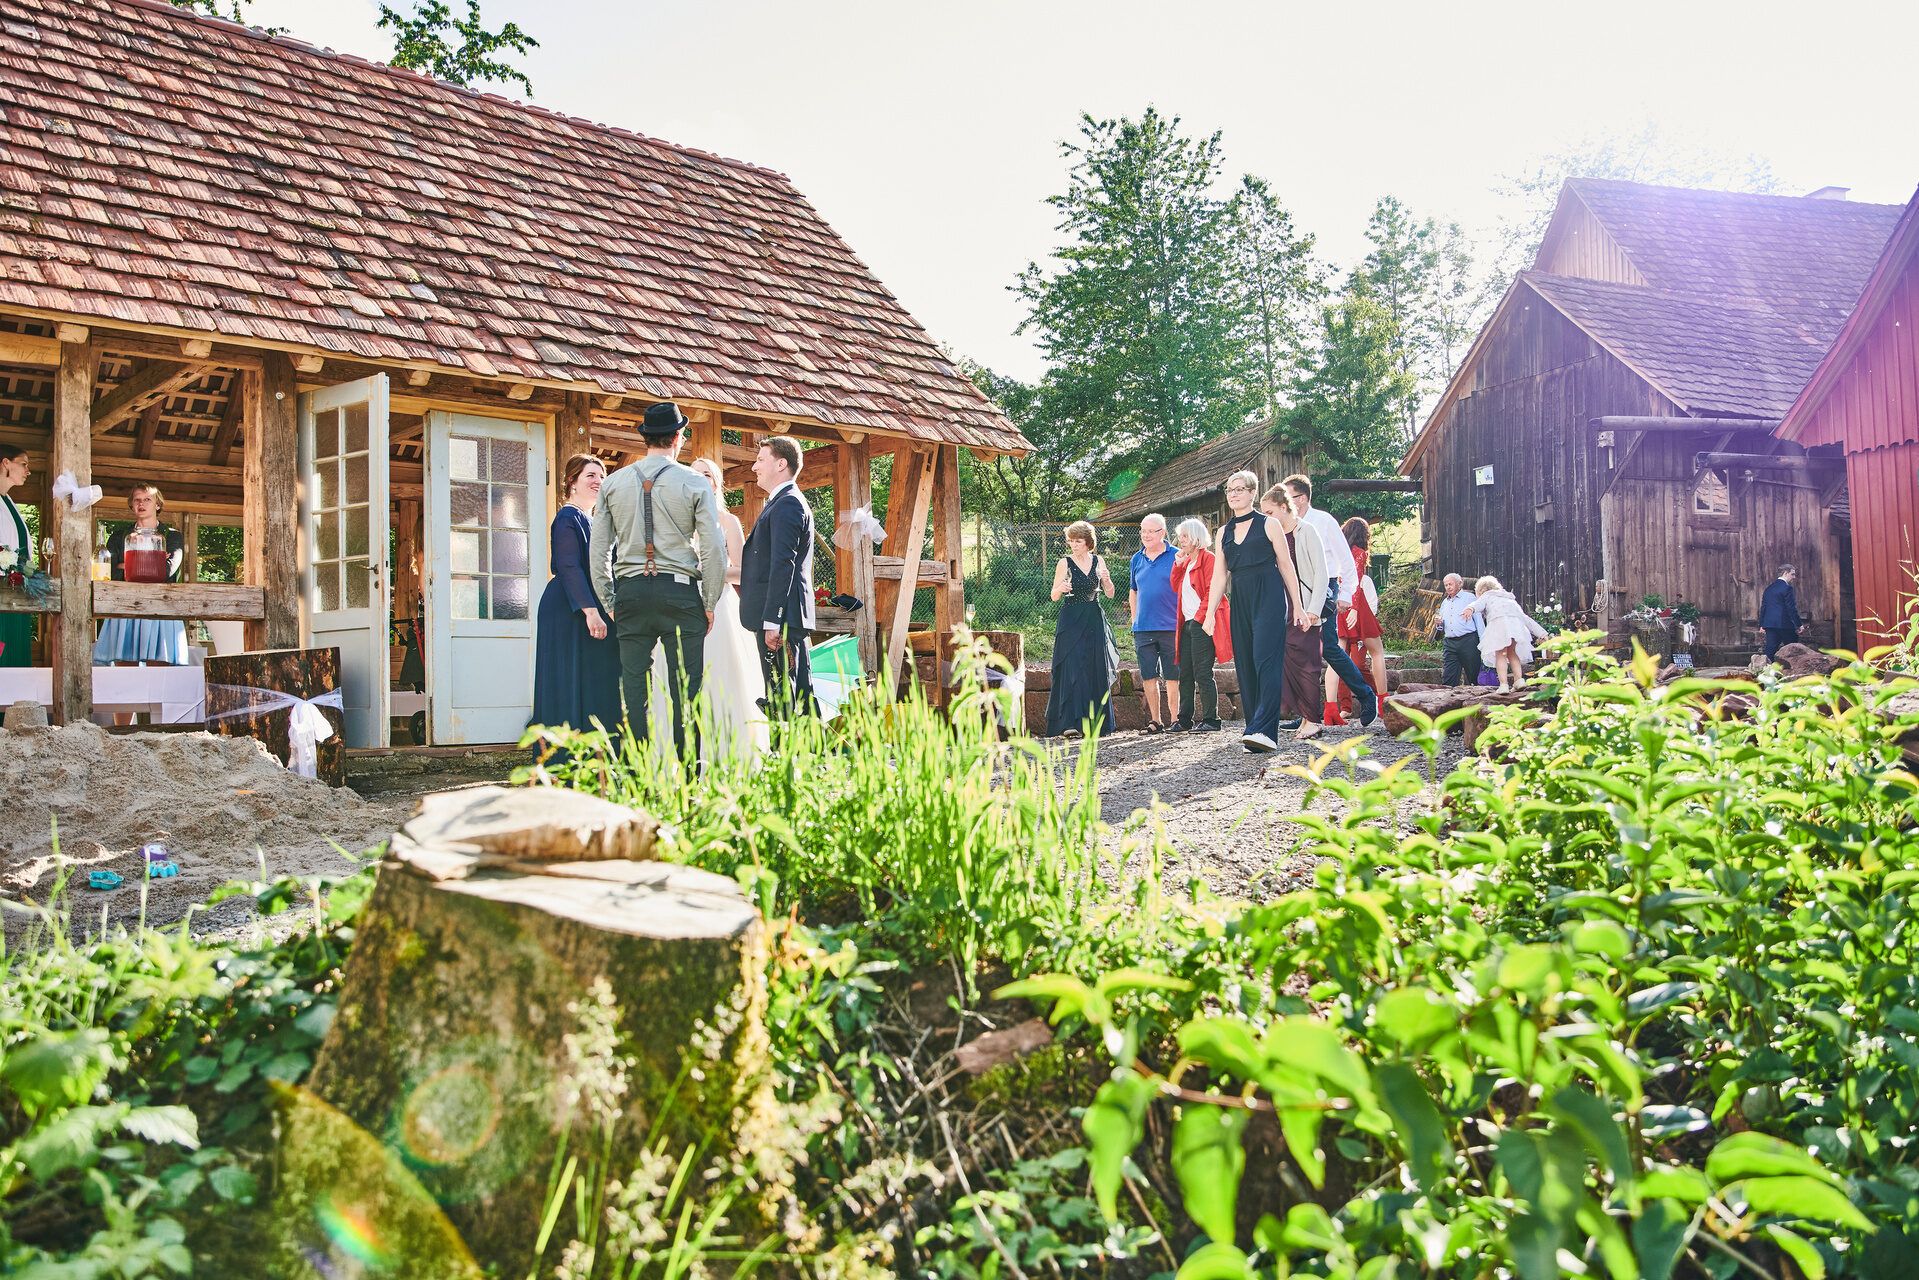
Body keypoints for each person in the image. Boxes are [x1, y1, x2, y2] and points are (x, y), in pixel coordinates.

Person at [588, 402, 725, 757]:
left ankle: (638, 775)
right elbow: (714, 547)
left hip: (631, 593)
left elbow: (598, 550)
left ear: (645, 438)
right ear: (678, 437)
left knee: (634, 691)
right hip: (680, 593)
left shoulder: (612, 483)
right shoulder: (695, 482)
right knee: (686, 691)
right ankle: (689, 778)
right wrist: (709, 601)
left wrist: (609, 601)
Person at [1204, 471, 1307, 753]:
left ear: (1253, 493)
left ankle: (1265, 731)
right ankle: (1253, 731)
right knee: (1246, 664)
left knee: (1266, 660)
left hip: (1269, 596)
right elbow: (1219, 576)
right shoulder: (1223, 532)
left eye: (1240, 489)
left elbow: (1286, 565)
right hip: (1240, 598)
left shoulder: (1269, 524)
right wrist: (1210, 614)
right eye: (1230, 489)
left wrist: (1298, 605)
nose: (1234, 494)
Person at [532, 453, 623, 736]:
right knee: (569, 679)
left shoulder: (594, 521)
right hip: (570, 609)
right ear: (572, 481)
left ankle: (597, 750)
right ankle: (566, 753)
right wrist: (591, 612)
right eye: (590, 475)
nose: (598, 481)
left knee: (597, 680)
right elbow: (570, 566)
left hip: (593, 606)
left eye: (602, 476)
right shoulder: (567, 517)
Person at [681, 456, 767, 756]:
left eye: (706, 474)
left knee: (720, 675)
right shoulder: (678, 521)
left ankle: (727, 752)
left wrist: (708, 571)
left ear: (716, 484)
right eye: (694, 474)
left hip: (720, 606)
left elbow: (743, 572)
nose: (700, 478)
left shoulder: (728, 521)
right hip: (683, 605)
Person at [1280, 475, 1378, 729]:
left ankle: (1367, 695)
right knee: (1300, 650)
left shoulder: (1324, 521)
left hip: (1325, 588)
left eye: (1287, 497)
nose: (1283, 502)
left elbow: (1346, 560)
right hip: (1296, 590)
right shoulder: (1284, 525)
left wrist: (1345, 595)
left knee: (1330, 648)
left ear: (1302, 498)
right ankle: (1308, 714)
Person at [738, 435, 817, 718]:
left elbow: (784, 564)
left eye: (761, 460)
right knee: (794, 697)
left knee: (783, 700)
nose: (754, 467)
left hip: (780, 622)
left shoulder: (788, 503)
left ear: (781, 464)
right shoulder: (782, 502)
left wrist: (773, 621)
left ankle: (790, 746)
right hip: (782, 619)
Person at [95, 483, 187, 723]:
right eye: (136, 499)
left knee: (159, 672)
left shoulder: (172, 536)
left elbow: (167, 571)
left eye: (147, 499)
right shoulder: (119, 536)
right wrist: (151, 562)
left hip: (161, 607)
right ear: (131, 505)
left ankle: (161, 729)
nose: (141, 503)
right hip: (125, 607)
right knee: (125, 675)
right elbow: (110, 571)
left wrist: (129, 565)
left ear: (158, 505)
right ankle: (121, 732)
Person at [1044, 520, 1118, 738]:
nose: (1073, 545)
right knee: (1071, 668)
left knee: (1094, 667)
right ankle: (1069, 723)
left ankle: (1095, 724)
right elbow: (1054, 596)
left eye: (1078, 541)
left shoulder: (1098, 560)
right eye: (1071, 541)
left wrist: (1107, 580)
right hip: (1071, 619)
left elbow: (1110, 594)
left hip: (1094, 618)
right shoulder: (1064, 563)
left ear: (1088, 542)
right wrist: (1061, 587)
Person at [1264, 486, 1326, 742]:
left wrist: (1314, 609)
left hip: (1307, 606)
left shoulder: (1307, 531)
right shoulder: (1273, 536)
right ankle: (1306, 718)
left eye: (1269, 512)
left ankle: (1314, 721)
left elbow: (1321, 573)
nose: (1266, 518)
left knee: (1308, 666)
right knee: (1290, 666)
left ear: (1284, 507)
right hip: (1283, 609)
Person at [1167, 517, 1229, 733]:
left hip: (1201, 622)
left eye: (1185, 536)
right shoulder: (1187, 562)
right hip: (1186, 623)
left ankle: (1212, 719)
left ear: (1196, 537)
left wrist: (1202, 619)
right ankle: (1184, 719)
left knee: (1202, 672)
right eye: (1180, 536)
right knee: (1185, 673)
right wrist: (1178, 564)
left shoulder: (1209, 559)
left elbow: (1213, 590)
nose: (1181, 540)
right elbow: (1175, 587)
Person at [1128, 513, 1178, 733]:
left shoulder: (1177, 555)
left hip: (1171, 626)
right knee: (1149, 675)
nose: (1146, 535)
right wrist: (1134, 620)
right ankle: (1155, 721)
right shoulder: (1136, 559)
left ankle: (1176, 720)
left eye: (1151, 531)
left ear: (1163, 532)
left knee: (1173, 675)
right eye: (1143, 531)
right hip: (1143, 628)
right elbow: (1133, 591)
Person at [1336, 516, 1387, 719]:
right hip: (1356, 606)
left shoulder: (1339, 553)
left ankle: (1333, 707)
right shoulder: (1359, 553)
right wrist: (1356, 609)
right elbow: (1355, 582)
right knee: (1377, 653)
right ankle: (1382, 701)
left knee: (1338, 658)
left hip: (1340, 607)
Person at [1474, 575, 1549, 693]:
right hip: (1514, 628)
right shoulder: (1509, 599)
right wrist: (1542, 633)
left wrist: (1470, 609)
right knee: (1512, 653)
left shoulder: (1486, 596)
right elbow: (1525, 619)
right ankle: (1519, 680)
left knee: (1500, 654)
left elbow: (1477, 605)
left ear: (1480, 592)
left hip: (1498, 627)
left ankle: (1503, 684)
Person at [0, 444, 35, 667]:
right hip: (2, 592)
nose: (28, 471)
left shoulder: (9, 501)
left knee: (16, 651)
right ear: (5, 463)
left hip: (18, 591)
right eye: (23, 464)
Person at [1434, 573, 1483, 687]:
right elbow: (1443, 626)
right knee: (1448, 676)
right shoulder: (1445, 602)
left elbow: (1479, 621)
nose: (1448, 587)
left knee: (1474, 674)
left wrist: (1483, 641)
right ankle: (1448, 696)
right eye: (1446, 585)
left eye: (1450, 584)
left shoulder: (1469, 598)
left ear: (1459, 584)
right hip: (1450, 643)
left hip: (1468, 641)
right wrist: (1439, 624)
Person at [1759, 564, 1806, 660]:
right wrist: (1799, 624)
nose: (1794, 577)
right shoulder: (1787, 588)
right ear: (1786, 573)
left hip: (1770, 624)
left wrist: (1762, 624)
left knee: (1770, 649)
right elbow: (1791, 608)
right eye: (1792, 574)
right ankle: (1793, 668)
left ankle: (1764, 667)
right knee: (1793, 649)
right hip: (1785, 624)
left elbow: (1763, 608)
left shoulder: (1768, 589)